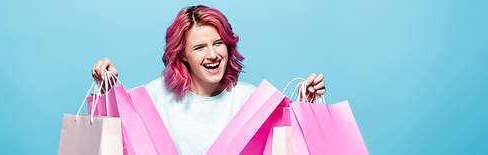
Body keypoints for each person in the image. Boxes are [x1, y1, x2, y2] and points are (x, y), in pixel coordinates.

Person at [91, 5, 326, 155]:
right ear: (183, 54)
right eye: (200, 47)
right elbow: (119, 137)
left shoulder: (251, 99)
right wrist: (107, 91)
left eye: (218, 43)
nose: (212, 54)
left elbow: (281, 144)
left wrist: (304, 105)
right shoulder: (155, 96)